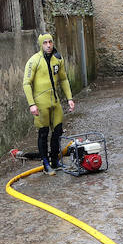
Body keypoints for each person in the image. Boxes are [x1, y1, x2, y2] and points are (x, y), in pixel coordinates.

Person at [22, 33, 74, 175]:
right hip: (41, 103)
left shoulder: (58, 59)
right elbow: (26, 83)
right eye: (45, 43)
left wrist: (69, 98)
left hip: (55, 101)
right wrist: (31, 104)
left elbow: (63, 79)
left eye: (50, 42)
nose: (49, 45)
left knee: (57, 132)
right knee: (43, 134)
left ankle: (55, 161)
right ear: (41, 44)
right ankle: (45, 163)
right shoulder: (34, 61)